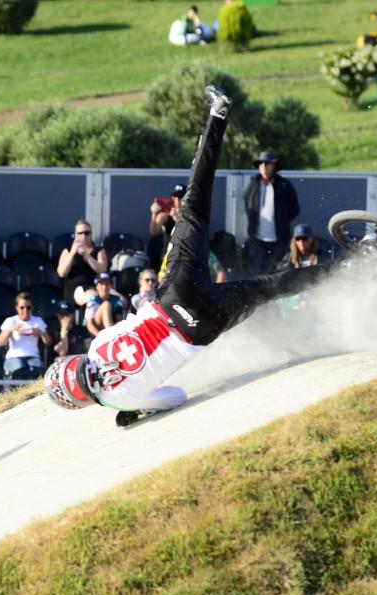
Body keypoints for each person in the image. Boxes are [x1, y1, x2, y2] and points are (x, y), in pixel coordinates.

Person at [44, 86, 332, 414]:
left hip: (199, 329)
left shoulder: (118, 399)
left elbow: (176, 396)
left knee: (271, 288)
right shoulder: (97, 347)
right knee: (194, 202)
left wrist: (138, 408)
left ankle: (351, 270)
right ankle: (217, 115)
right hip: (174, 295)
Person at [243, 151, 300, 274]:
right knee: (257, 273)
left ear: (274, 165)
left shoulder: (284, 185)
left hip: (279, 239)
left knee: (277, 274)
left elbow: (294, 209)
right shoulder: (253, 185)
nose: (264, 166)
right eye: (261, 163)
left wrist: (282, 222)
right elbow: (248, 207)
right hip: (257, 239)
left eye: (267, 163)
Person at [0, 292, 51, 376]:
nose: (25, 310)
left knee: (40, 371)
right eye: (22, 307)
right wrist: (11, 329)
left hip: (33, 357)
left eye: (28, 307)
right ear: (17, 308)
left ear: (32, 308)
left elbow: (48, 342)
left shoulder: (38, 321)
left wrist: (41, 333)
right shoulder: (10, 321)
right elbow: (0, 343)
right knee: (20, 369)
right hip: (14, 357)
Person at [56, 219, 109, 303]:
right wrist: (73, 252)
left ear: (91, 234)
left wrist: (87, 255)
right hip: (77, 289)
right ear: (75, 235)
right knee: (95, 299)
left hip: (97, 287)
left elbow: (102, 270)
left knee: (120, 300)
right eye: (80, 233)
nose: (83, 236)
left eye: (87, 233)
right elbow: (61, 273)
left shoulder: (99, 250)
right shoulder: (67, 251)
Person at [148, 184, 185, 269]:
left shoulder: (192, 215)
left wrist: (176, 218)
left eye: (181, 198)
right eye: (175, 197)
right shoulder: (166, 216)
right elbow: (153, 232)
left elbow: (187, 232)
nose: (177, 200)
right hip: (168, 255)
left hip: (184, 256)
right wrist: (154, 213)